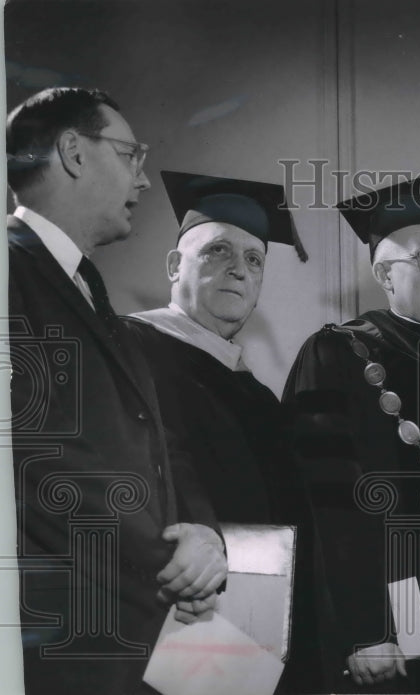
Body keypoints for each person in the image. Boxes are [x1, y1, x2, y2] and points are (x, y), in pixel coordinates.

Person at [6, 87, 227, 694]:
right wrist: (169, 566)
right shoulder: (8, 270)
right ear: (74, 152)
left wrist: (204, 534)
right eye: (131, 154)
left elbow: (158, 439)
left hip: (134, 630)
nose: (145, 179)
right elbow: (35, 453)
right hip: (68, 638)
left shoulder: (87, 287)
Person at [283, 171, 420, 693]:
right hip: (397, 606)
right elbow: (328, 504)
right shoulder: (341, 355)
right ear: (385, 276)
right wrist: (367, 629)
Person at [120, 170, 334, 692]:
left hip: (263, 627)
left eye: (254, 259)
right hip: (178, 623)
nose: (239, 270)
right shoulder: (129, 349)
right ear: (175, 265)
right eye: (218, 251)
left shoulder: (258, 394)